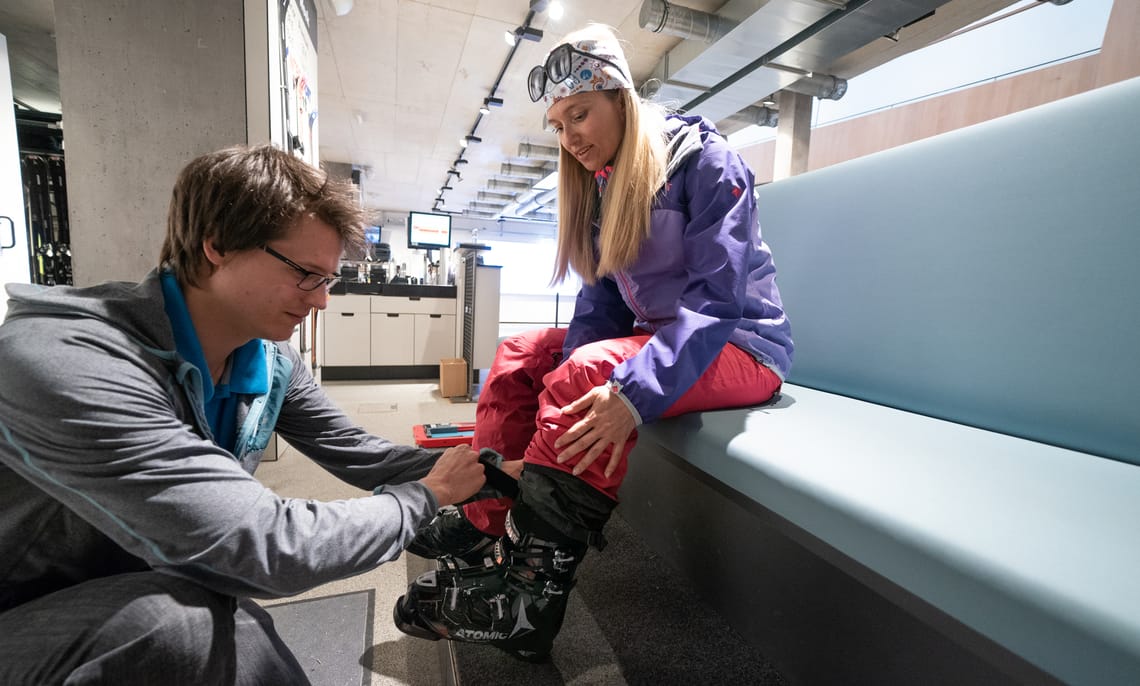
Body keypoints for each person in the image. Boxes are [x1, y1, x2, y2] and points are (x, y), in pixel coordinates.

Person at [0, 144, 487, 685]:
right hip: (25, 613)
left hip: (138, 584)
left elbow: (358, 452)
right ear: (218, 246)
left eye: (327, 280)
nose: (321, 301)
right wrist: (427, 498)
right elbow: (264, 544)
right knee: (174, 627)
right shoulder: (68, 360)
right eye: (306, 274)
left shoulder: (271, 359)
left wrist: (487, 469)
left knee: (232, 628)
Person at [393, 24, 793, 662]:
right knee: (521, 356)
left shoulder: (707, 163)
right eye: (557, 124)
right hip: (668, 340)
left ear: (621, 99)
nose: (568, 135)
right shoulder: (608, 186)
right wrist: (550, 415)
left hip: (741, 347)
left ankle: (529, 597)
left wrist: (629, 391)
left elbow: (719, 303)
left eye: (578, 114)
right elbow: (602, 303)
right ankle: (487, 522)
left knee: (590, 371)